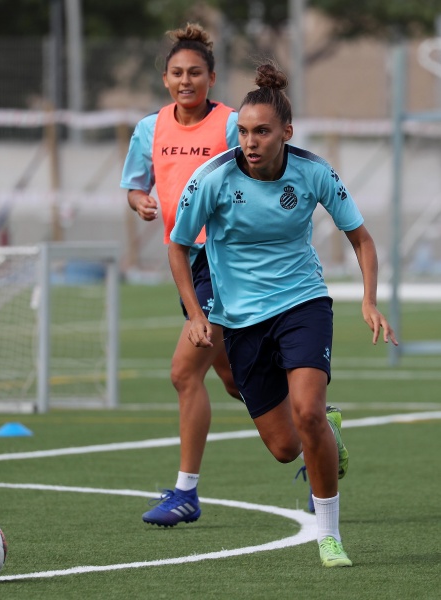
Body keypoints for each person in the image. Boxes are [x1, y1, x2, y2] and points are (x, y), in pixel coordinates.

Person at [168, 62, 398, 567]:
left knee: (308, 410)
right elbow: (179, 246)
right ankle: (328, 433)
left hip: (302, 304)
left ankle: (328, 535)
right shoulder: (212, 179)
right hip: (241, 320)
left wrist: (369, 299)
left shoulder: (313, 171)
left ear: (285, 133)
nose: (250, 141)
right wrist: (194, 312)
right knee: (284, 448)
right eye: (244, 131)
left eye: (262, 131)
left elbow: (359, 236)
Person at [120, 23, 241, 527]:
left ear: (211, 78)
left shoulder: (234, 124)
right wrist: (141, 201)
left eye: (195, 72)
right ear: (165, 79)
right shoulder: (150, 128)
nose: (186, 80)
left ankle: (186, 492)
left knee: (183, 372)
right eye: (177, 73)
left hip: (230, 263)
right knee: (237, 381)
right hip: (184, 263)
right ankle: (317, 438)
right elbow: (134, 186)